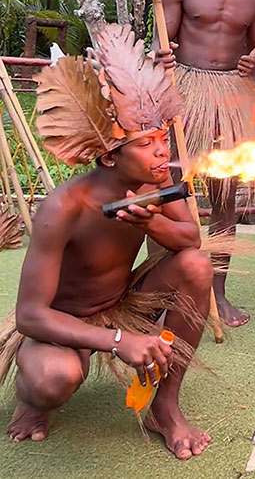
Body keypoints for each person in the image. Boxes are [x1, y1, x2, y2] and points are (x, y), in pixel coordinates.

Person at [2, 25, 213, 460]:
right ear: (109, 155)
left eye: (163, 139)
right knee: (52, 379)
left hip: (125, 300)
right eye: (146, 143)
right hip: (64, 323)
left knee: (196, 265)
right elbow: (29, 314)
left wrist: (152, 224)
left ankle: (165, 407)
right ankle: (29, 400)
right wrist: (120, 341)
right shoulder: (65, 206)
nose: (162, 152)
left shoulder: (158, 178)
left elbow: (189, 239)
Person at [156, 0, 255, 328]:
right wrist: (160, 56)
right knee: (171, 187)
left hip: (230, 96)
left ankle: (217, 294)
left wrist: (253, 65)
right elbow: (162, 45)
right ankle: (165, 292)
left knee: (225, 195)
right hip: (184, 90)